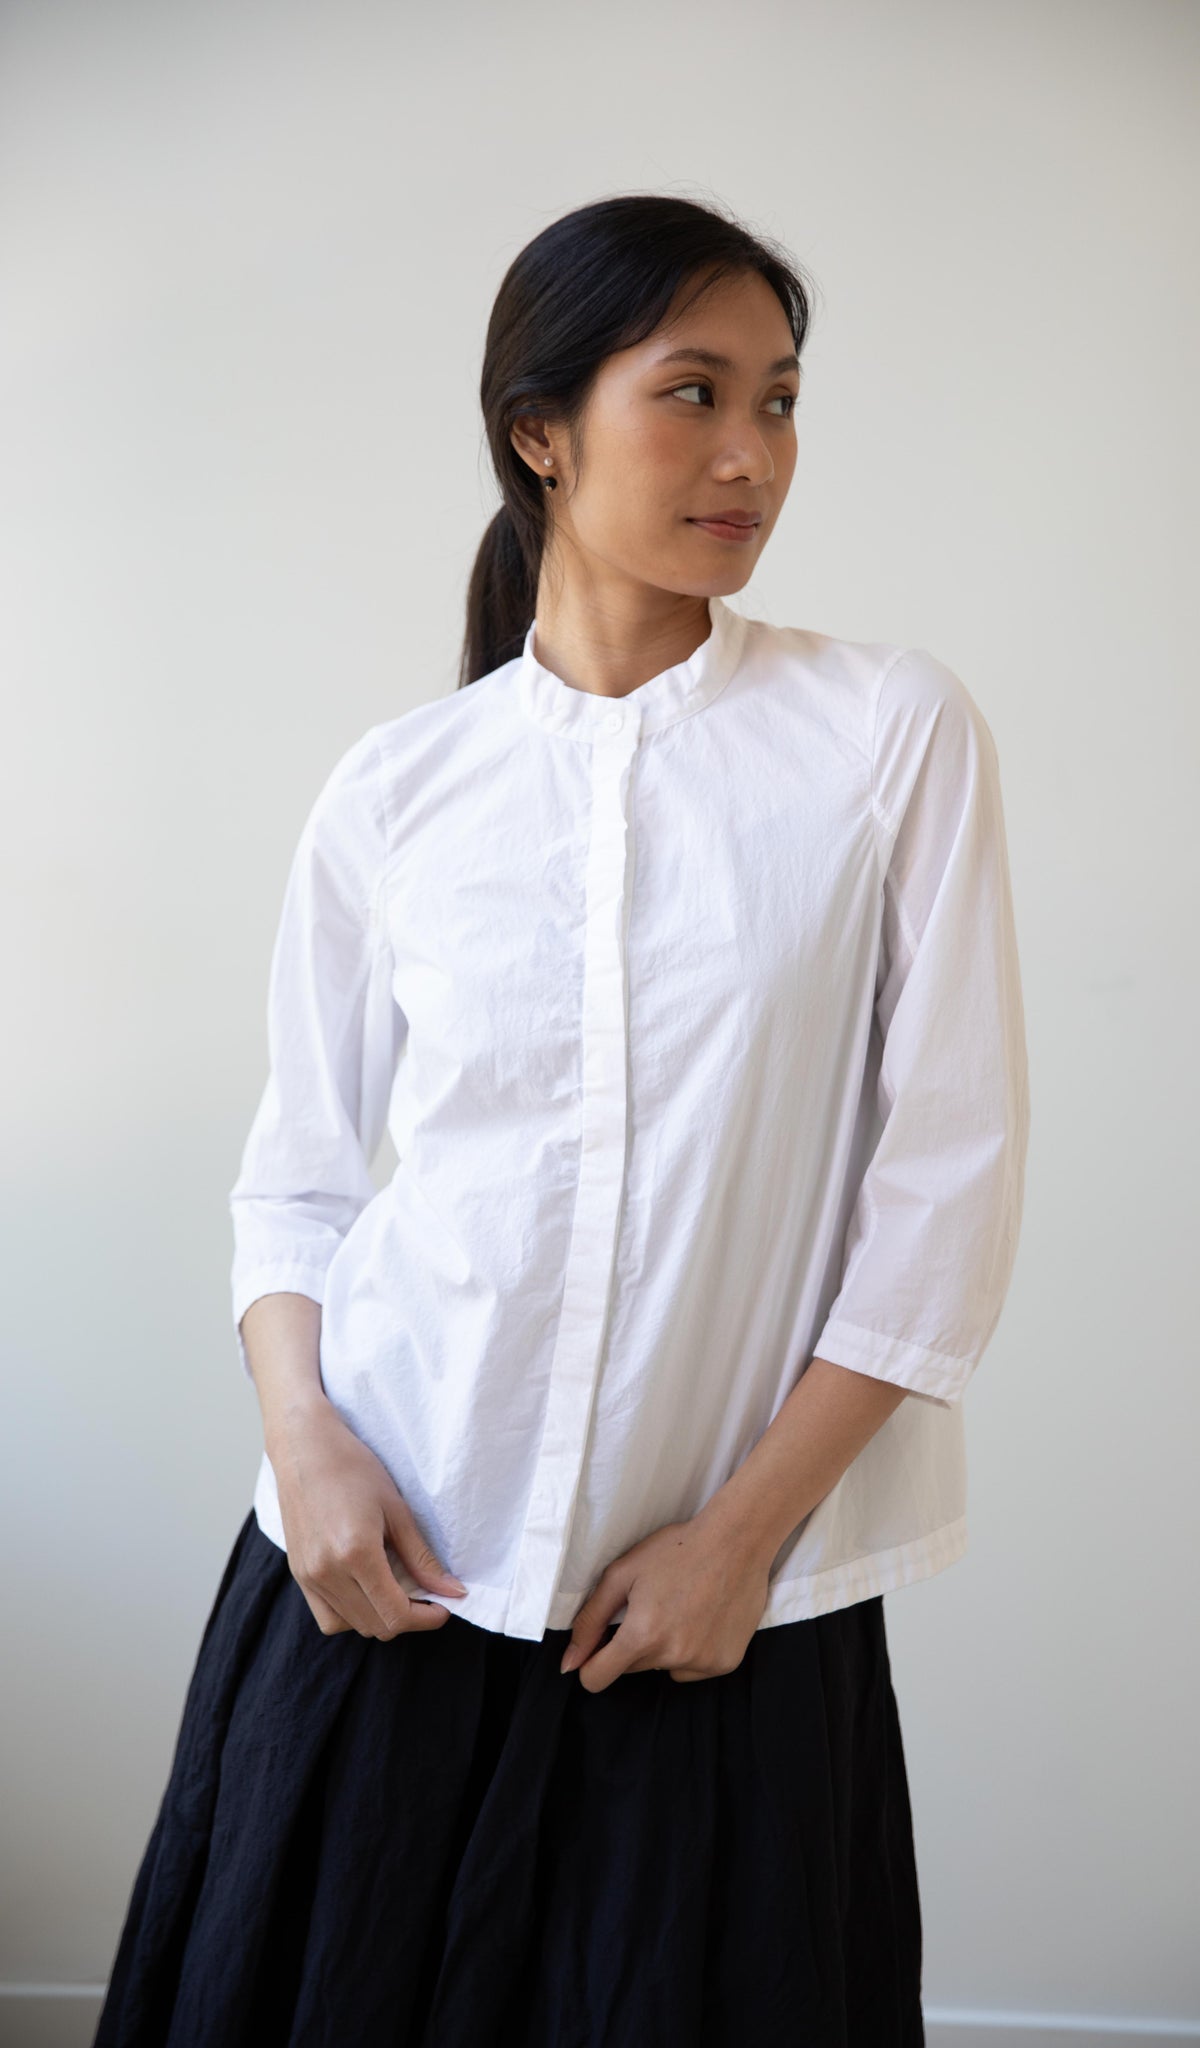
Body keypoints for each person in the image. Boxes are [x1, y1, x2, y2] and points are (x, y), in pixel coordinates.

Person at [93, 191, 1030, 2048]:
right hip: (381, 1575)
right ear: (541, 431)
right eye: (694, 393)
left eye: (779, 399)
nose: (751, 453)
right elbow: (297, 1182)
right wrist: (308, 1446)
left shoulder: (883, 736)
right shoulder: (398, 789)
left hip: (714, 1614)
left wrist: (739, 1542)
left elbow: (944, 1188)